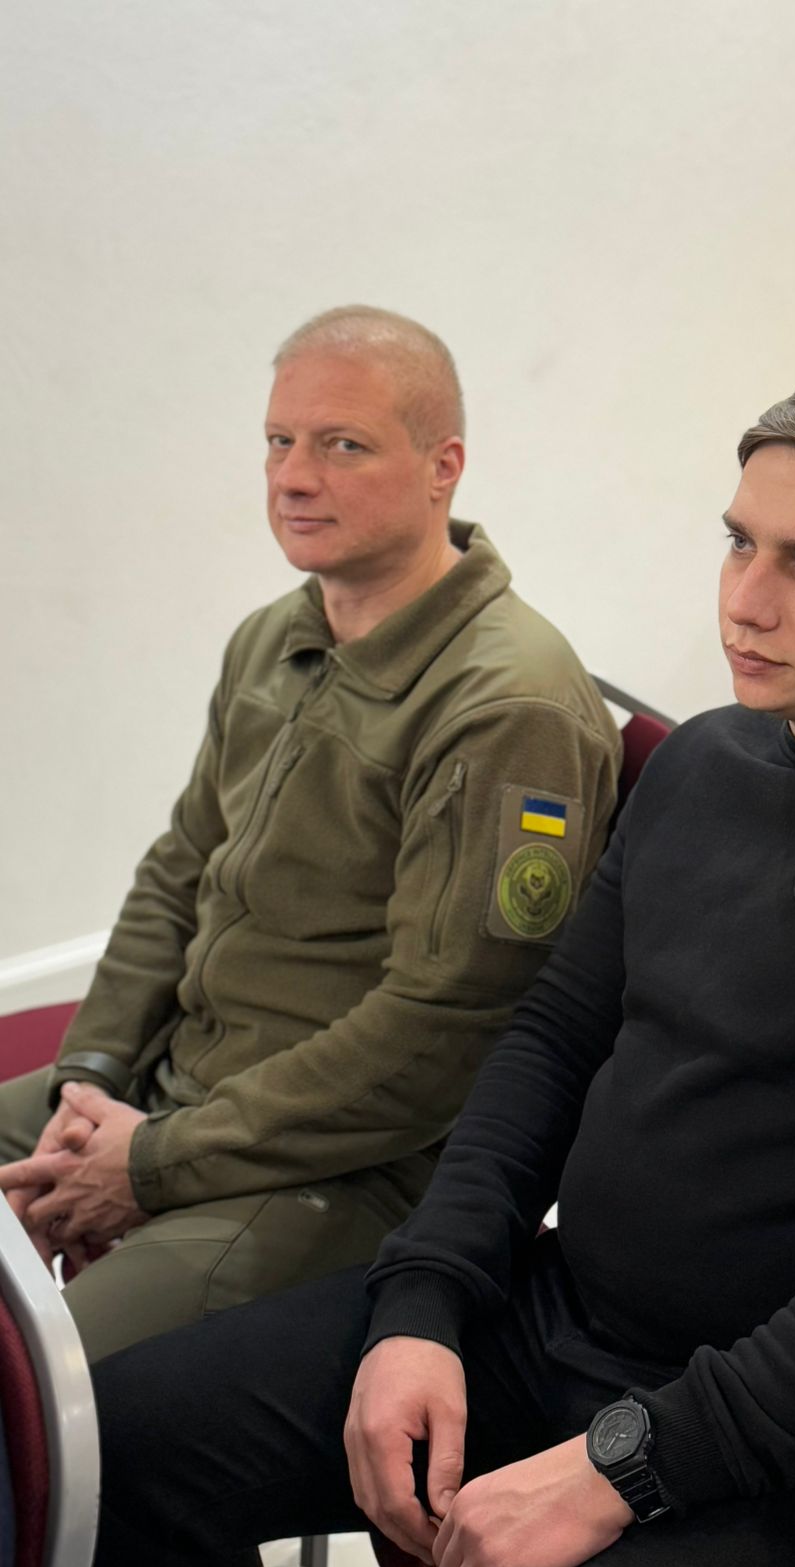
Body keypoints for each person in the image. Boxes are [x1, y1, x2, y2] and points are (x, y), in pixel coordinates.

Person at [83, 365, 795, 1567]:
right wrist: (424, 1300)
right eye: (739, 542)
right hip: (551, 1324)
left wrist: (621, 1467)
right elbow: (552, 1042)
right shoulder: (709, 760)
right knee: (104, 1452)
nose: (746, 601)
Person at [0, 306, 620, 1365]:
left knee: (30, 1392)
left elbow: (435, 1039)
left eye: (342, 446)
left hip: (343, 1166)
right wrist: (89, 1079)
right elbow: (178, 871)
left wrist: (152, 1164)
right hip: (179, 1089)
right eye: (278, 441)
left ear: (443, 467)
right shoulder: (275, 637)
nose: (292, 478)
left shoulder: (507, 706)